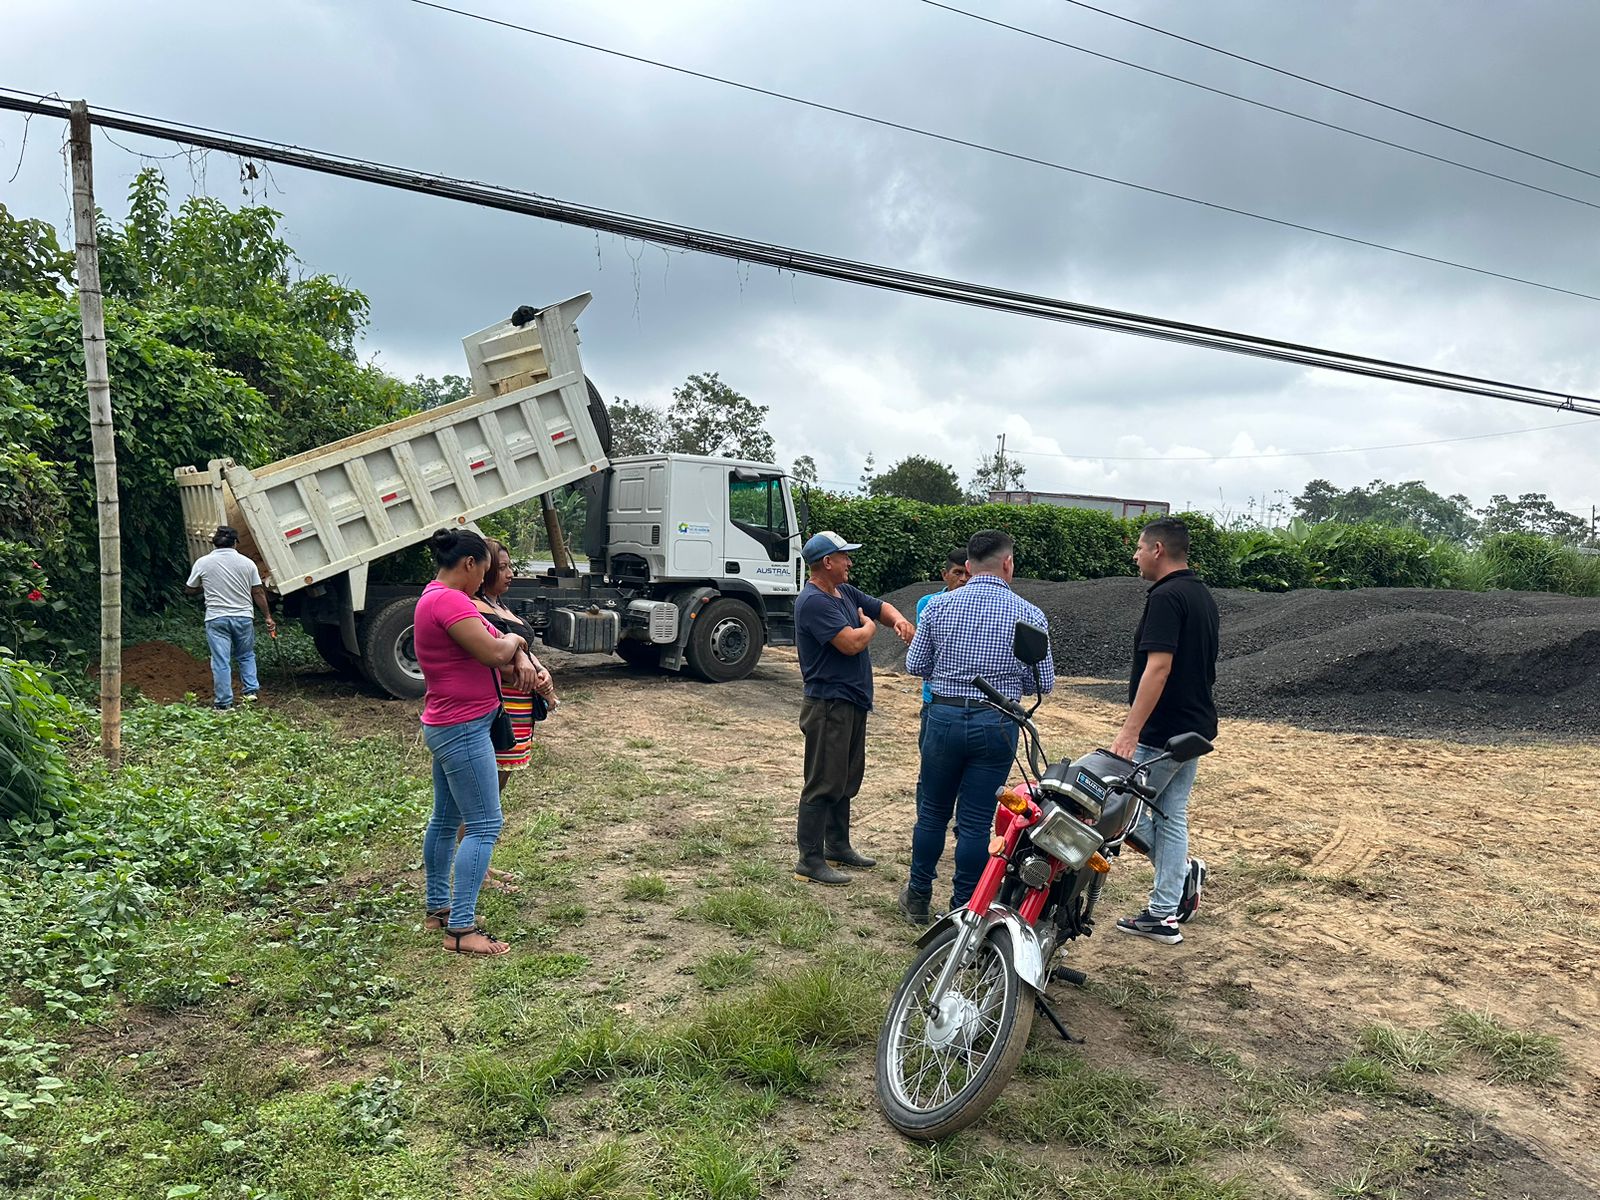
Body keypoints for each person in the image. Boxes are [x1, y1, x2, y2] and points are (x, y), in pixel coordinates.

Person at [900, 530, 1054, 924]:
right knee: (975, 821)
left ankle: (918, 895)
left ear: (968, 565)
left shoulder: (937, 606)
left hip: (943, 718)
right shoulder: (1030, 614)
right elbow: (1042, 682)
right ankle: (962, 908)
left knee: (932, 813)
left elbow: (915, 665)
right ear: (1008, 563)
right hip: (996, 722)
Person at [414, 528, 539, 956]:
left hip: (449, 722)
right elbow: (495, 651)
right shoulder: (450, 601)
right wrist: (516, 642)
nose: (484, 580)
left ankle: (440, 909)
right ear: (469, 564)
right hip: (463, 727)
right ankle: (461, 931)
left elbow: (497, 641)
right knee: (485, 825)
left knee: (445, 820)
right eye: (483, 570)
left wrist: (512, 647)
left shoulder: (438, 597)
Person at [1110, 516, 1220, 946]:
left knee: (1121, 816)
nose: (1135, 555)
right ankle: (1165, 907)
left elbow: (1159, 667)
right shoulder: (1201, 594)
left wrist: (1130, 730)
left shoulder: (1166, 597)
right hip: (1193, 727)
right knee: (1170, 815)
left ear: (1157, 549)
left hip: (1161, 733)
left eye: (1139, 547)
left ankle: (1176, 886)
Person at [792, 530, 915, 886]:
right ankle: (809, 860)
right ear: (827, 562)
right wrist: (869, 627)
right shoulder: (814, 601)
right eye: (844, 556)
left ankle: (837, 845)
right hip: (828, 705)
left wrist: (898, 620)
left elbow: (880, 607)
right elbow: (850, 643)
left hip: (850, 701)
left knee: (845, 778)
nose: (850, 562)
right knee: (823, 781)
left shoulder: (843, 592)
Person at [471, 538, 558, 893]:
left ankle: (482, 863)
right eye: (503, 567)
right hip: (498, 706)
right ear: (485, 569)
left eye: (510, 567)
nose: (510, 573)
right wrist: (528, 675)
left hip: (520, 710)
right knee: (481, 795)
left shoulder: (499, 605)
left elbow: (522, 649)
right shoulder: (475, 608)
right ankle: (475, 870)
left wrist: (541, 672)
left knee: (496, 789)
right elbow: (484, 658)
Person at [184, 525, 275, 710]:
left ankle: (224, 703)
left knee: (221, 660)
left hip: (216, 618)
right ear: (235, 543)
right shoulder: (248, 563)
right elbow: (257, 591)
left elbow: (189, 589)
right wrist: (268, 617)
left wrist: (205, 587)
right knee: (246, 655)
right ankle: (250, 692)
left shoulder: (203, 563)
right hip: (243, 617)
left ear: (215, 543)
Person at [914, 549, 970, 747]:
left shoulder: (980, 606)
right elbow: (925, 652)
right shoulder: (928, 604)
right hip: (935, 697)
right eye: (958, 573)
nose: (963, 579)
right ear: (945, 574)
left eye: (968, 574)